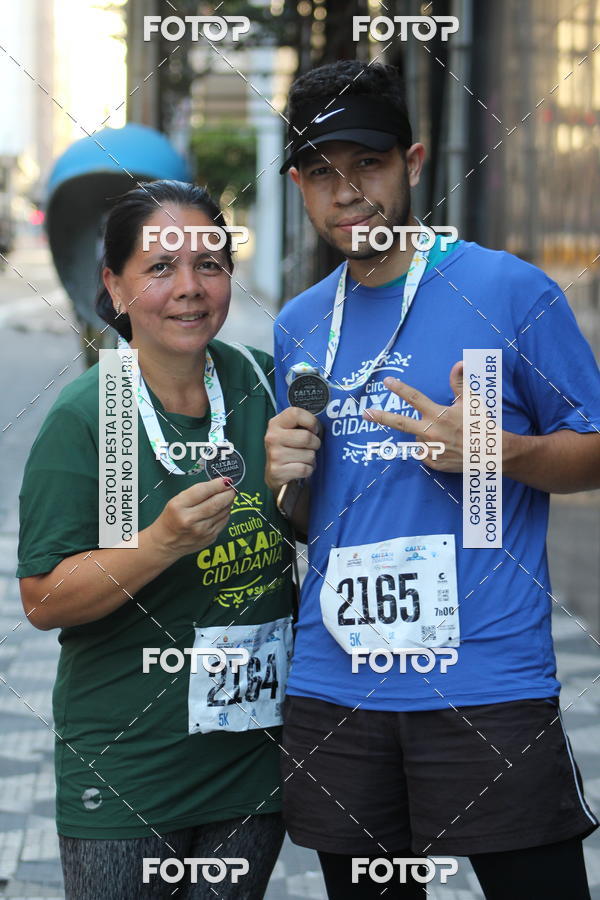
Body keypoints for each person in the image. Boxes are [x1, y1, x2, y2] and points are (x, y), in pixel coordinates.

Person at [265, 61, 600, 899]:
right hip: (337, 681)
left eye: (367, 165)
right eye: (320, 172)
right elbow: (308, 514)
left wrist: (501, 451)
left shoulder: (508, 289)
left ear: (413, 163)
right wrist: (283, 480)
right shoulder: (301, 325)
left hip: (483, 679)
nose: (347, 193)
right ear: (301, 186)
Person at [17, 180, 295, 899]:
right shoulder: (92, 415)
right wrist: (160, 543)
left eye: (210, 263)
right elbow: (44, 599)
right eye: (161, 267)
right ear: (113, 286)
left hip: (250, 762)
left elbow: (307, 524)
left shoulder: (264, 387)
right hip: (128, 768)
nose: (191, 288)